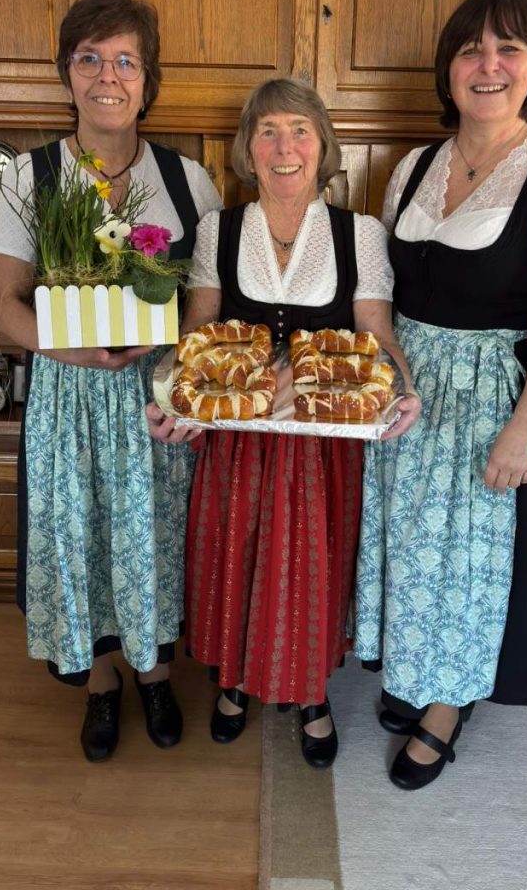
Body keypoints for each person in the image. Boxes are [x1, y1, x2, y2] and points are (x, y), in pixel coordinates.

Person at [354, 0, 527, 790]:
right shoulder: (413, 169)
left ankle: (447, 705)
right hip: (406, 390)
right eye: (471, 50)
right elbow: (387, 293)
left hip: (490, 397)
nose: (488, 65)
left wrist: (524, 430)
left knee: (467, 563)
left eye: (509, 49)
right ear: (449, 69)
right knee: (408, 546)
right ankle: (417, 670)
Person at [146, 78, 420, 768]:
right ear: (248, 149)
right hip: (238, 437)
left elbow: (377, 332)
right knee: (235, 560)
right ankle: (234, 682)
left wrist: (404, 388)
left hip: (323, 443)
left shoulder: (361, 234)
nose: (284, 146)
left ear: (322, 145)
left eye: (300, 130)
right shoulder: (220, 229)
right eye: (267, 130)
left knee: (309, 571)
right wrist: (173, 397)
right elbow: (199, 328)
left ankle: (310, 695)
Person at [0, 0, 222, 762]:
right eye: (90, 59)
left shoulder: (188, 181)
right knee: (81, 538)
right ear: (68, 73)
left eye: (125, 60)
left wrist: (177, 372)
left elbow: (207, 304)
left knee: (152, 537)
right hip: (69, 398)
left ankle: (153, 673)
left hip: (156, 399)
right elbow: (4, 306)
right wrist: (78, 351)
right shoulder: (29, 177)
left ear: (147, 81)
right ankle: (100, 683)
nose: (107, 76)